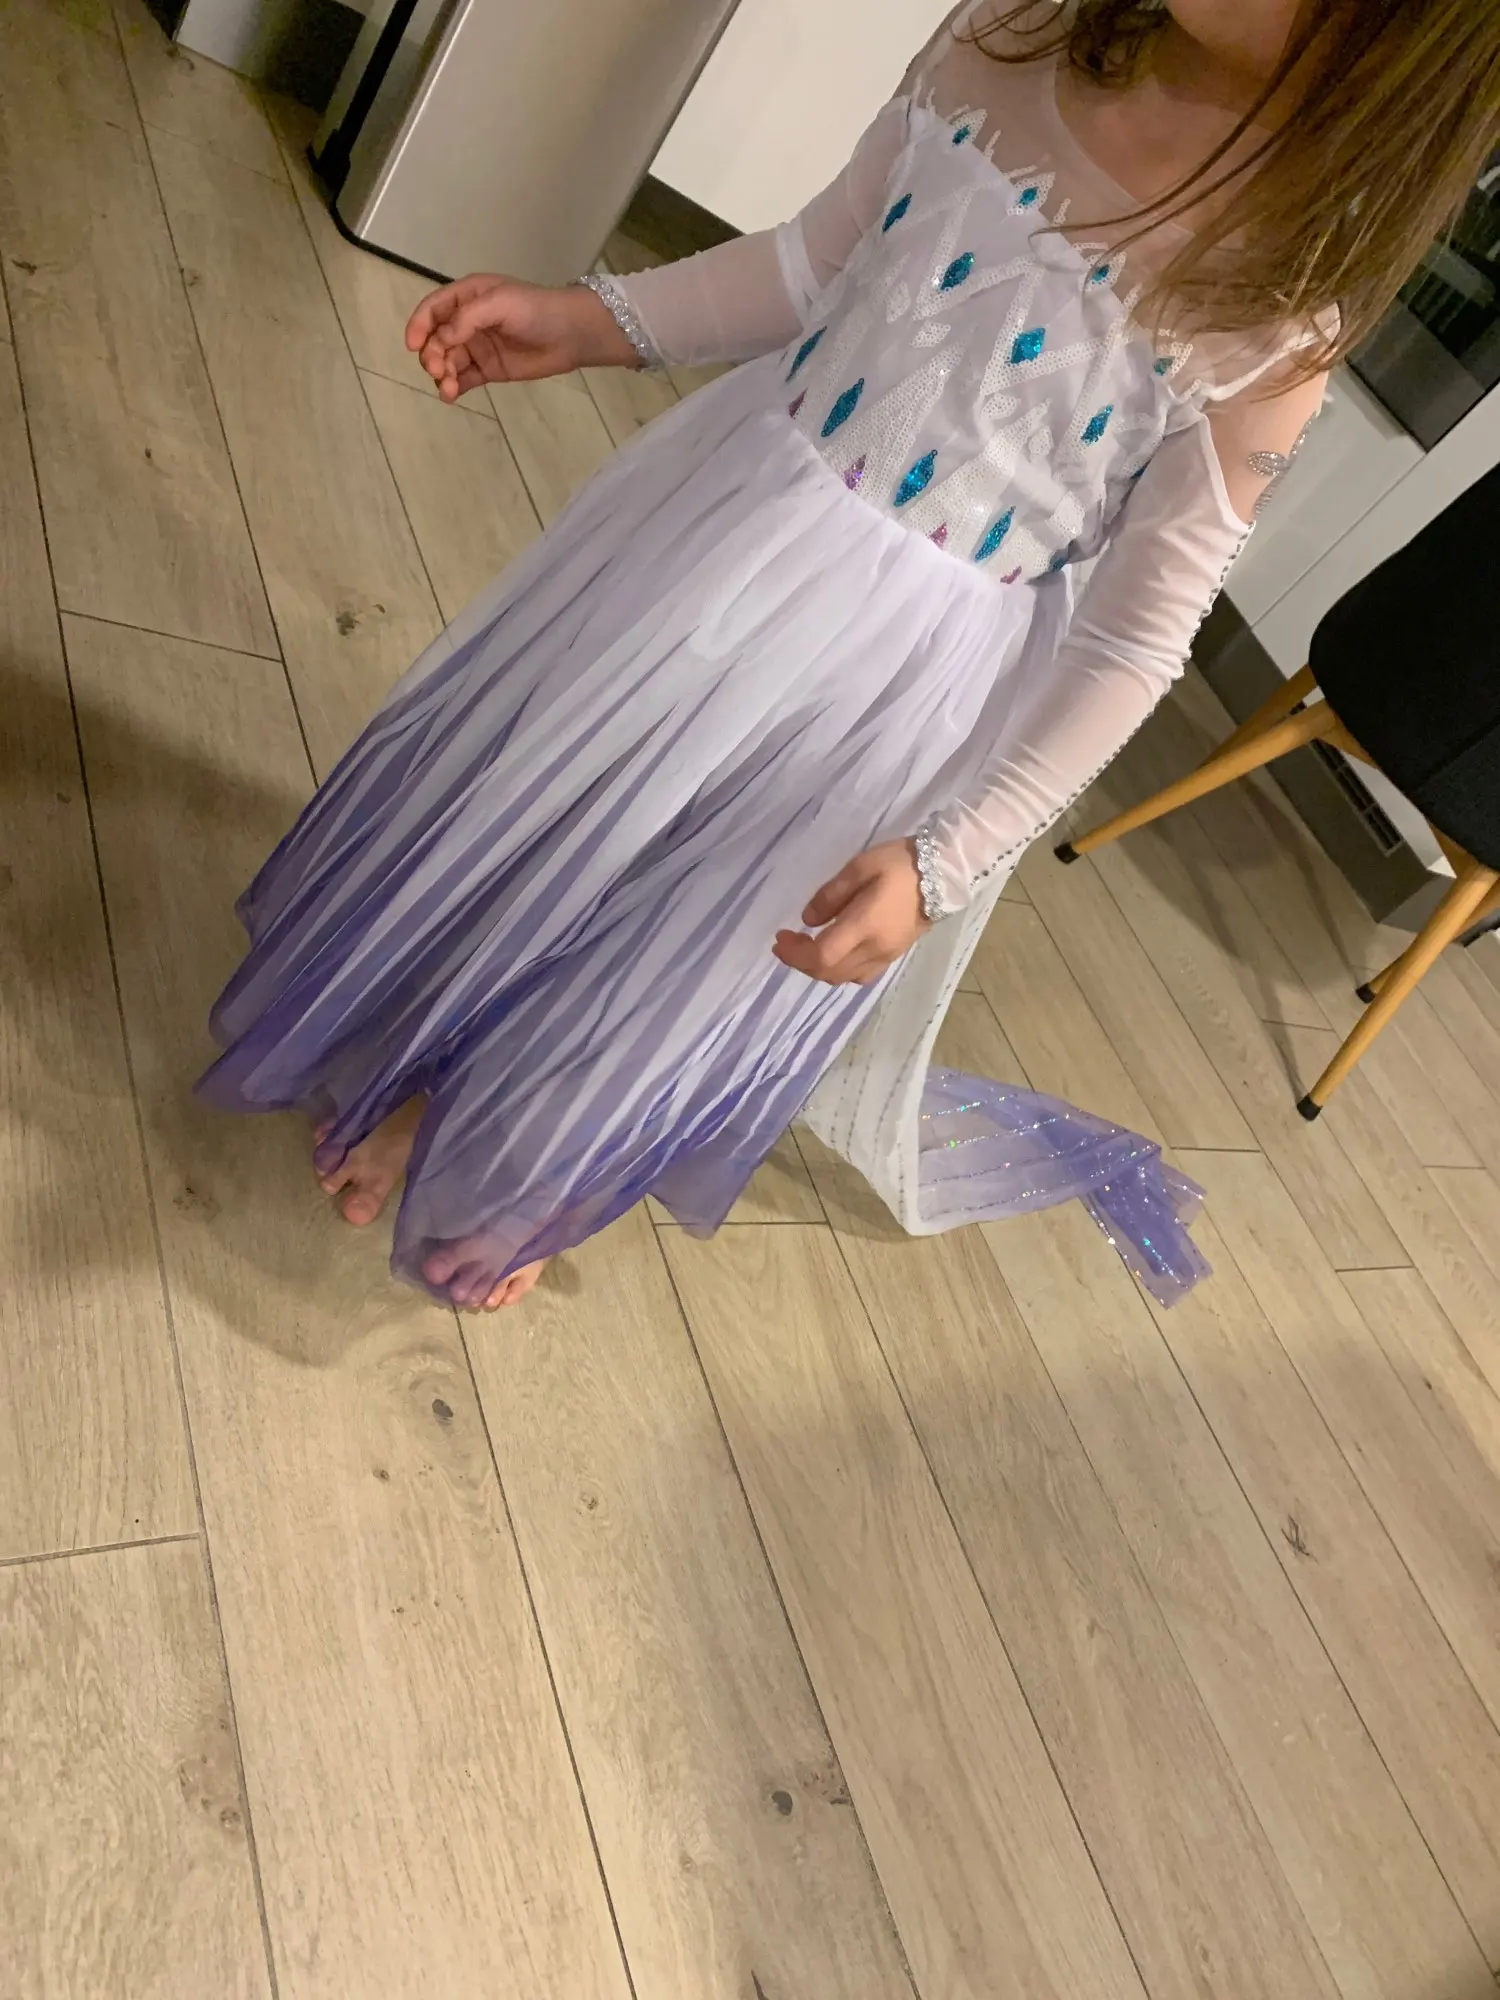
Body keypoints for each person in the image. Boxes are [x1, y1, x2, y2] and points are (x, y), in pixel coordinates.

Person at [200, 0, 1500, 1311]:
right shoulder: (1012, 35)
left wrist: (950, 857)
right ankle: (432, 1038)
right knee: (563, 809)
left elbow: (1138, 630)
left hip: (903, 682)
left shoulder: (1276, 314)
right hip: (718, 529)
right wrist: (594, 320)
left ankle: (502, 1143)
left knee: (703, 939)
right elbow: (816, 265)